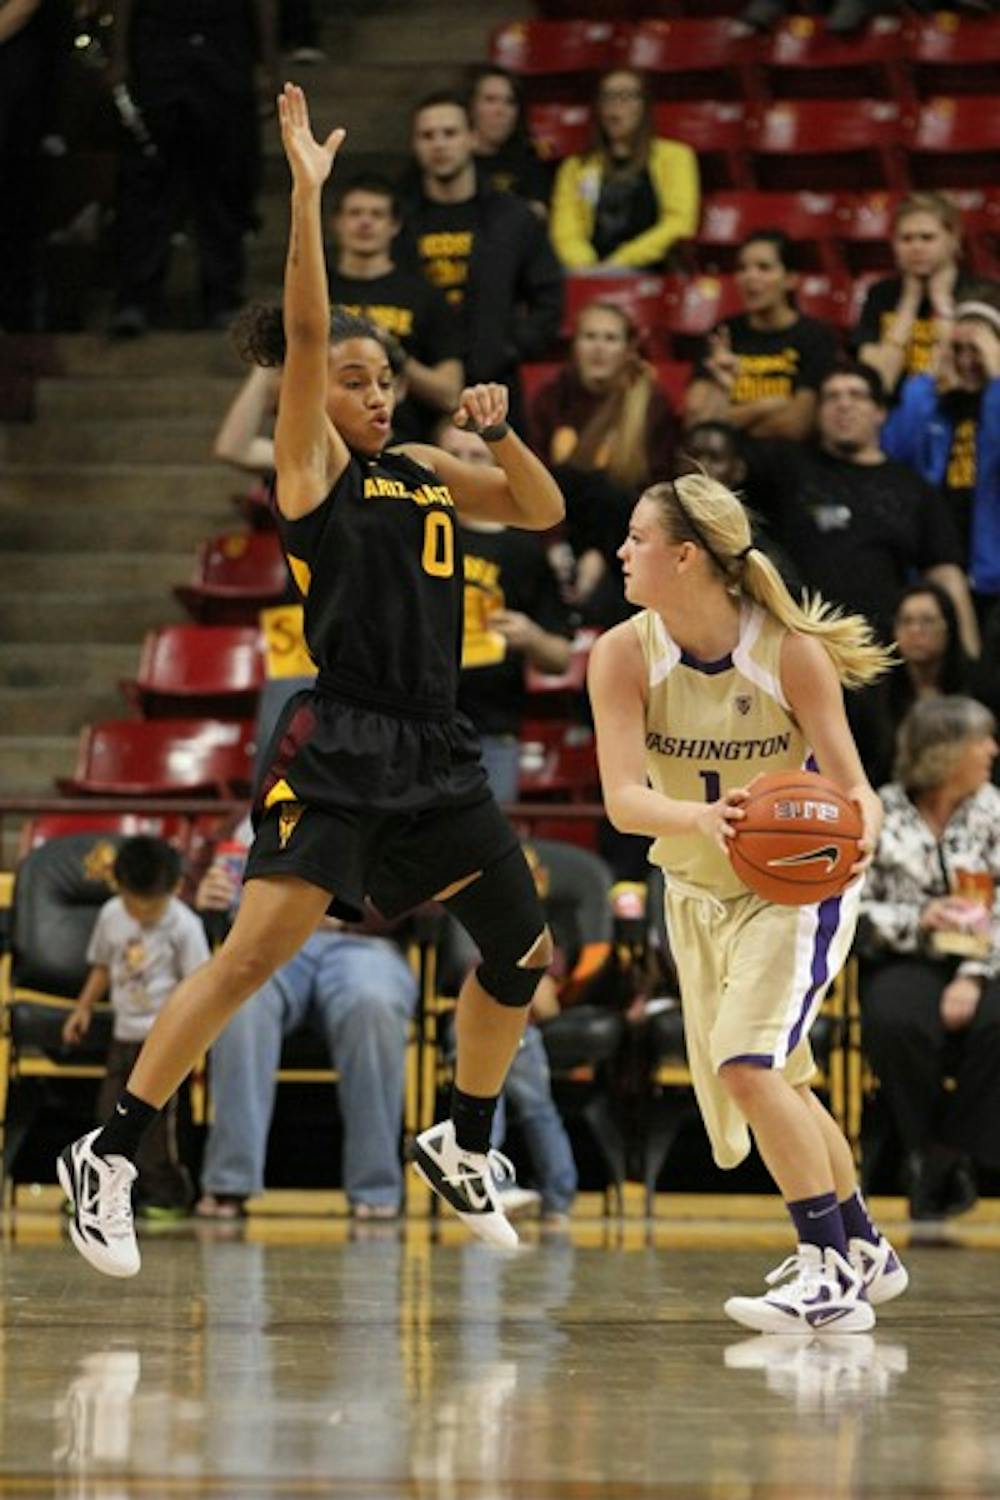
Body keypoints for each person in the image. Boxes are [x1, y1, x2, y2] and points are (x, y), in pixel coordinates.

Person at [57, 83, 565, 1278]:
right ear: (315, 394)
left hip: (436, 747)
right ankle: (111, 1154)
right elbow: (305, 328)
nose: (373, 392)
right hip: (341, 743)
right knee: (247, 961)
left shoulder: (432, 466)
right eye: (351, 379)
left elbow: (539, 508)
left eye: (382, 378)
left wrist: (499, 433)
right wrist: (304, 194)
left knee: (519, 951)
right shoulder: (309, 473)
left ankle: (462, 1137)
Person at [587, 470, 907, 1332]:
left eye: (637, 539)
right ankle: (866, 1245)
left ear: (685, 555)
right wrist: (702, 816)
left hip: (798, 889)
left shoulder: (786, 651)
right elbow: (622, 798)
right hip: (696, 888)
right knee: (784, 1079)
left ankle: (827, 1272)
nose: (621, 552)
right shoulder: (623, 653)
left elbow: (853, 784)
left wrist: (863, 828)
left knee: (748, 1067)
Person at [191, 815, 418, 1221]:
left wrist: (351, 909)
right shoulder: (238, 822)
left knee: (372, 1003)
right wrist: (200, 894)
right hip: (265, 942)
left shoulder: (389, 804)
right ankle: (229, 1182)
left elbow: (428, 893)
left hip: (360, 944)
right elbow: (188, 886)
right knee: (239, 1003)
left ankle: (376, 1188)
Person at [859, 695, 1000, 1220]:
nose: (992, 749)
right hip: (905, 953)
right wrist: (919, 918)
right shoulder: (883, 811)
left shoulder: (993, 809)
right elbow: (854, 906)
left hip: (987, 957)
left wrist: (972, 976)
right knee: (895, 1022)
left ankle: (942, 1157)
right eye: (980, 739)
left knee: (996, 1023)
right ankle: (925, 1147)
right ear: (944, 751)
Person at [748, 362, 980, 656]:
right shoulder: (786, 467)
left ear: (880, 412)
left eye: (856, 395)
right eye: (832, 397)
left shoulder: (911, 487)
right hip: (797, 645)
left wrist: (971, 660)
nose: (843, 405)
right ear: (818, 414)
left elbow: (946, 573)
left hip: (882, 653)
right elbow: (722, 466)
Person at [106, 0, 277, 337]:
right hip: (157, 42)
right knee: (146, 180)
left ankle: (222, 295)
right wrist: (119, 57)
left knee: (225, 179)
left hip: (225, 42)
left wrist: (267, 62)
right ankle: (136, 297)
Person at [61, 836, 210, 1220]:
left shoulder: (186, 926)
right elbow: (101, 967)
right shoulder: (111, 915)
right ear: (117, 887)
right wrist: (82, 1008)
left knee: (159, 1127)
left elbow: (201, 987)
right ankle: (105, 1194)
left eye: (152, 907)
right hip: (122, 1035)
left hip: (166, 1043)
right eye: (133, 903)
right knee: (109, 1115)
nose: (141, 914)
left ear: (176, 888)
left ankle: (167, 1193)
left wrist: (197, 1042)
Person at [397, 89, 563, 430]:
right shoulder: (398, 221)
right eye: (427, 136)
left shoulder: (514, 217)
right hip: (416, 390)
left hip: (494, 385)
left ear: (473, 138)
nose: (439, 144)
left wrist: (507, 347)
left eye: (450, 133)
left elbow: (549, 299)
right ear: (415, 145)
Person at [437, 421, 572, 805]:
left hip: (490, 732)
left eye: (476, 457)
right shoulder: (411, 530)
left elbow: (560, 658)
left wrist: (530, 635)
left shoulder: (524, 552)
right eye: (453, 457)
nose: (463, 467)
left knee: (485, 857)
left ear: (499, 468)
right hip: (413, 728)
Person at [529, 300, 675, 627]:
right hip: (552, 531)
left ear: (628, 349)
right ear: (575, 345)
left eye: (610, 339)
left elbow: (655, 494)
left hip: (623, 543)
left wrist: (599, 552)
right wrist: (554, 544)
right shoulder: (550, 399)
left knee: (613, 494)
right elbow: (531, 476)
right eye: (589, 337)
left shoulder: (651, 404)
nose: (599, 348)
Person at [882, 287, 1000, 618]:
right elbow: (896, 450)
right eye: (957, 349)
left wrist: (996, 377)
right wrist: (929, 378)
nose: (966, 360)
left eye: (976, 350)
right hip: (939, 566)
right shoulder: (934, 406)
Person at [327, 172, 464, 440]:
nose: (365, 223)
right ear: (337, 223)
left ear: (395, 226)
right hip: (328, 442)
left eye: (377, 215)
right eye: (355, 213)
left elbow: (450, 394)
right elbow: (279, 386)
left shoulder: (425, 296)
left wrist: (389, 353)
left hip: (406, 443)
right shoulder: (316, 292)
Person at [684, 229, 838, 444]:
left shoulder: (816, 337)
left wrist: (726, 419)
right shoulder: (723, 333)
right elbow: (696, 422)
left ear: (791, 279)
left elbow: (796, 426)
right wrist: (766, 406)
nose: (750, 277)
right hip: (724, 462)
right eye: (742, 268)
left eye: (764, 268)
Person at [549, 67, 699, 273]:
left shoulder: (676, 157)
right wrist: (587, 267)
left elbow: (678, 223)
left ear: (644, 106)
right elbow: (566, 230)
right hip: (585, 270)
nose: (615, 107)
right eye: (607, 97)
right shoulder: (575, 167)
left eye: (626, 96)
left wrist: (621, 262)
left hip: (647, 267)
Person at [853, 192, 983, 400]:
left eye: (927, 238)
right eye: (906, 239)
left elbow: (961, 381)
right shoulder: (880, 295)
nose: (916, 247)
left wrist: (942, 306)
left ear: (954, 239)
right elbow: (878, 384)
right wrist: (908, 303)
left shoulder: (981, 294)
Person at [849, 581, 974, 790]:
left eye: (928, 621)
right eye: (906, 621)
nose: (916, 631)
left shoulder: (975, 689)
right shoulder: (872, 696)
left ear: (948, 627)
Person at [467, 64, 553, 219]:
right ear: (472, 107)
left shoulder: (531, 160)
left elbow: (538, 213)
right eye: (490, 100)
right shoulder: (453, 157)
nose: (500, 110)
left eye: (510, 102)